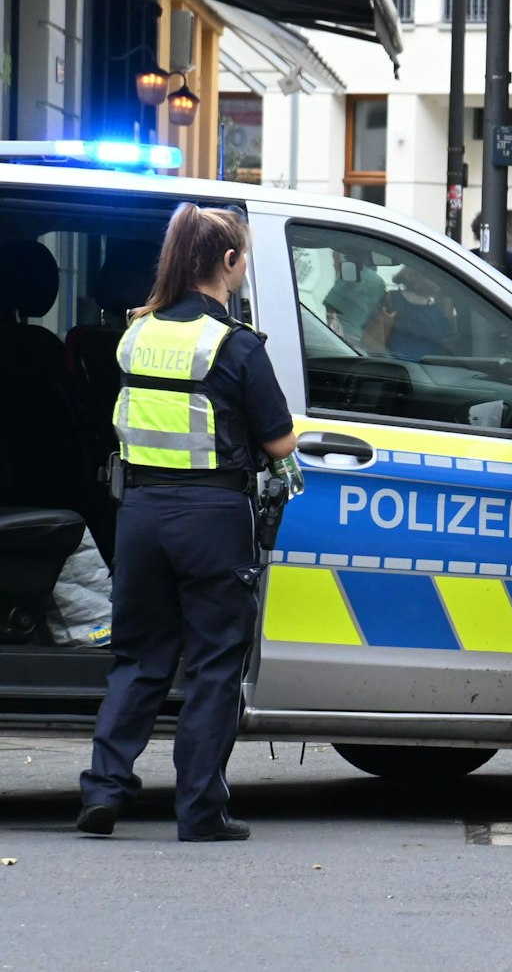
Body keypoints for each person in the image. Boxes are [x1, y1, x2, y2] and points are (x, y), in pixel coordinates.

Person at [76, 203, 299, 842]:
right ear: (227, 263)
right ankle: (200, 810)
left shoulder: (135, 335)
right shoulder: (235, 345)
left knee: (139, 660)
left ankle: (103, 791)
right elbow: (280, 441)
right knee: (212, 665)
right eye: (244, 258)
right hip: (211, 517)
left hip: (141, 514)